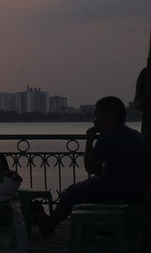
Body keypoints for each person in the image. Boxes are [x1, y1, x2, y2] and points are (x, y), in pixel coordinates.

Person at [35, 96, 145, 233]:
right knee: (78, 190)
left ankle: (49, 225)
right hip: (137, 189)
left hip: (113, 188)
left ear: (110, 116)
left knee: (70, 193)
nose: (94, 120)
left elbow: (91, 167)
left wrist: (89, 141)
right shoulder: (135, 135)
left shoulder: (108, 136)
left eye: (97, 115)